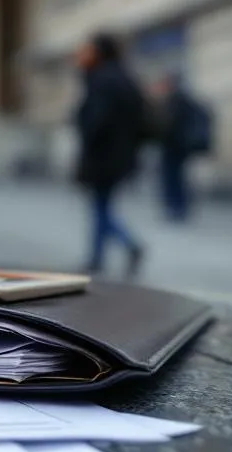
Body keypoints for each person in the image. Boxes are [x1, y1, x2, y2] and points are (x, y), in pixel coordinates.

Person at [73, 33, 148, 275]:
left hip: (104, 157)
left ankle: (125, 246)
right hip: (119, 156)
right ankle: (99, 256)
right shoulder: (122, 78)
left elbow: (96, 122)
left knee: (100, 207)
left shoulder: (103, 80)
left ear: (99, 52)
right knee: (102, 206)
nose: (80, 55)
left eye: (86, 50)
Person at [153, 72, 213, 222]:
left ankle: (176, 207)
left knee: (173, 178)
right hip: (179, 146)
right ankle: (178, 207)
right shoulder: (183, 98)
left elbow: (169, 124)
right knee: (177, 177)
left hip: (174, 146)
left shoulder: (175, 100)